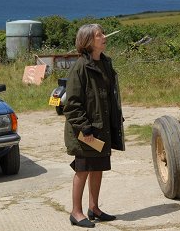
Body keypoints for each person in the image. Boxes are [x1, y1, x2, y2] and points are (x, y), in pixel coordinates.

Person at [64, 24, 125, 228]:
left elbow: (109, 96)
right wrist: (85, 127)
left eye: (103, 34)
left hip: (102, 128)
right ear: (88, 42)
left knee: (97, 167)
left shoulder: (105, 63)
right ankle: (76, 212)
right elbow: (71, 104)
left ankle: (94, 208)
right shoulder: (80, 67)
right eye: (99, 35)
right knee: (82, 170)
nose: (104, 37)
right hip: (85, 131)